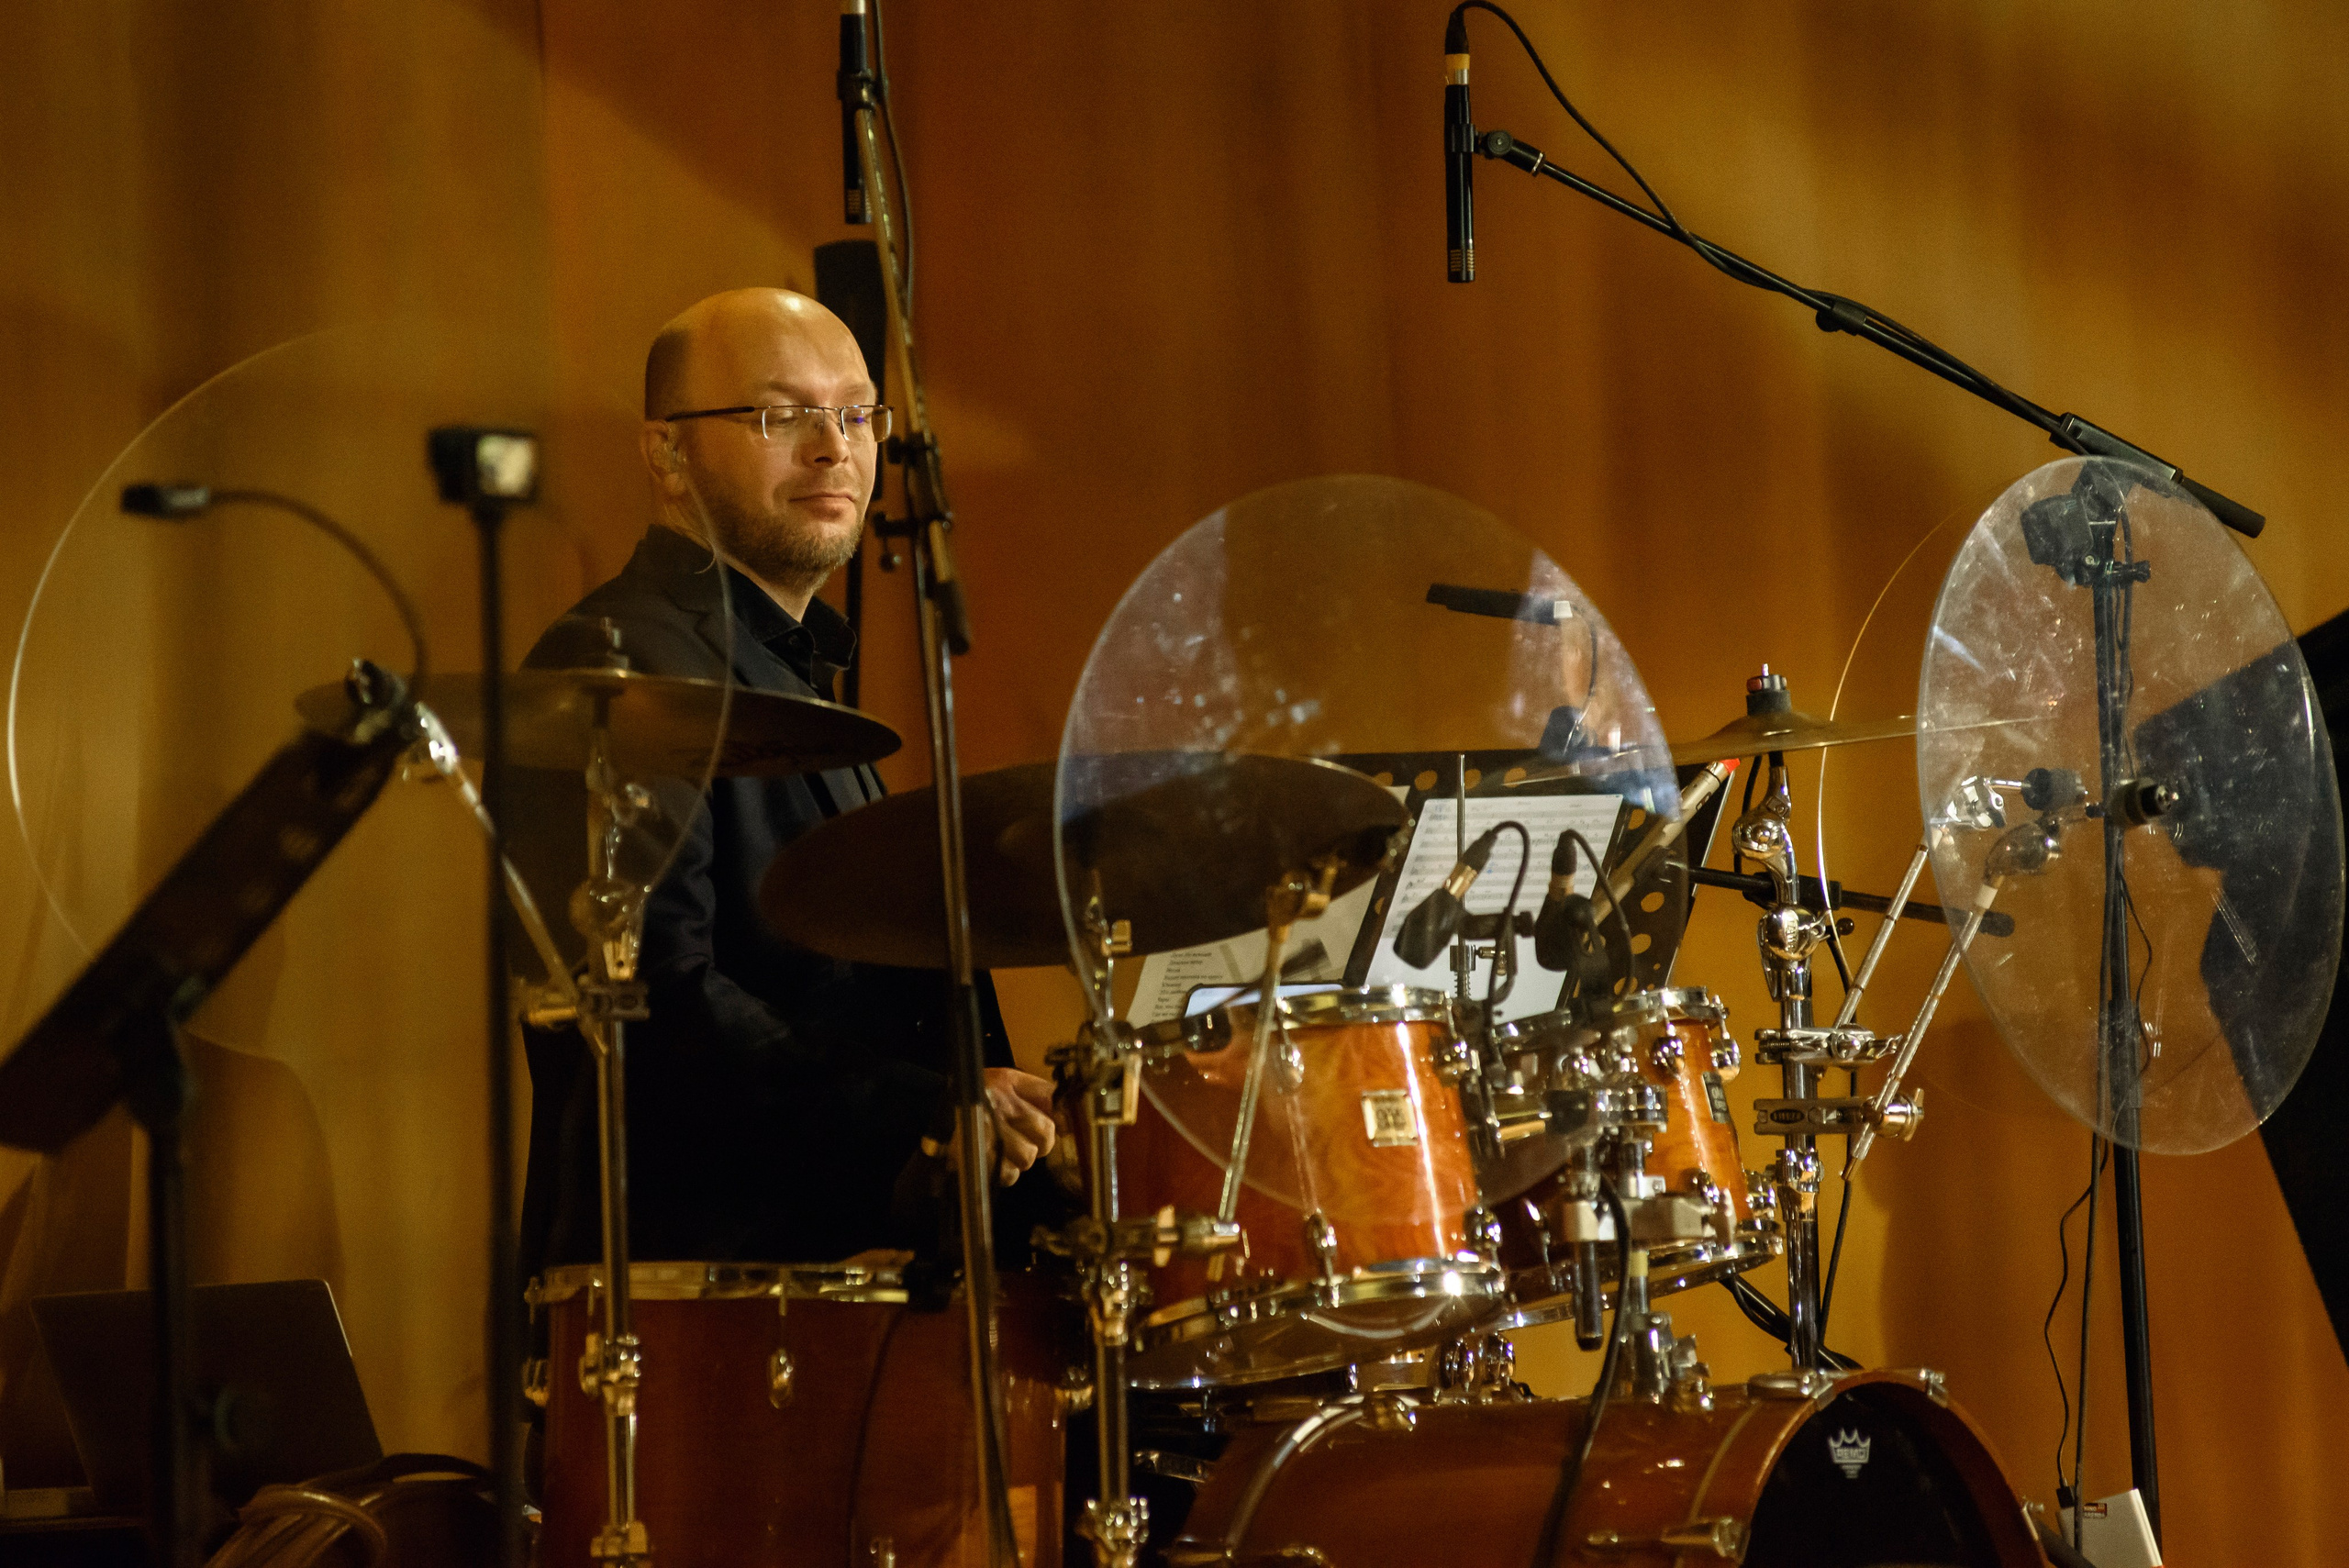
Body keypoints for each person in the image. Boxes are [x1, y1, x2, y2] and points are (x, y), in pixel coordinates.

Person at [513, 287, 1059, 1276]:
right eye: (780, 414)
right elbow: (647, 999)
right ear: (666, 453)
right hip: (700, 1310)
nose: (833, 447)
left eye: (856, 414)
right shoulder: (619, 666)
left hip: (844, 1281)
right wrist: (926, 1104)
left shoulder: (784, 679)